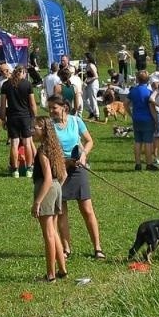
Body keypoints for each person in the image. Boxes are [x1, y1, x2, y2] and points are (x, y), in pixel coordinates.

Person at [47, 95, 104, 261]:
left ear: (64, 107)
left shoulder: (76, 121)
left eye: (54, 108)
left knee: (87, 209)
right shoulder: (50, 126)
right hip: (59, 168)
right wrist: (63, 162)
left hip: (78, 168)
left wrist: (84, 155)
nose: (51, 111)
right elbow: (49, 150)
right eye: (49, 108)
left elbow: (89, 141)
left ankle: (97, 247)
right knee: (62, 210)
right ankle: (66, 248)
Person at [31, 117, 68, 282]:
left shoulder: (42, 150)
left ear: (43, 130)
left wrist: (38, 201)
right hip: (56, 187)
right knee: (54, 232)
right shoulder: (55, 147)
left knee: (48, 235)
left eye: (35, 128)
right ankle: (62, 269)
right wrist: (56, 187)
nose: (32, 131)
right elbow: (64, 175)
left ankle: (51, 275)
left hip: (46, 189)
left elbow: (46, 178)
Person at [2, 63, 38, 178]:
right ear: (22, 72)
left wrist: (3, 118)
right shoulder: (27, 84)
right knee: (27, 143)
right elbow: (32, 104)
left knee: (14, 144)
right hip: (25, 117)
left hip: (12, 117)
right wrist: (34, 117)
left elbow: (3, 105)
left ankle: (15, 170)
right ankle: (29, 168)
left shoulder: (6, 85)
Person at [128, 69, 159, 171]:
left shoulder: (133, 91)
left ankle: (137, 164)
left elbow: (125, 103)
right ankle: (149, 164)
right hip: (147, 119)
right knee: (148, 142)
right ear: (148, 80)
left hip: (136, 118)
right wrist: (156, 121)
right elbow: (152, 109)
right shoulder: (149, 93)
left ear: (137, 79)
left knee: (137, 141)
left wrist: (131, 114)